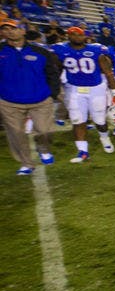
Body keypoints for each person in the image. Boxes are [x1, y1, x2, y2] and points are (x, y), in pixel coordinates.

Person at [0, 19, 62, 175]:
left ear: (23, 31)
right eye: (5, 29)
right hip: (9, 101)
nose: (9, 31)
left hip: (40, 99)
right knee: (16, 134)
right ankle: (26, 163)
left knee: (45, 131)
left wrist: (53, 93)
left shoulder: (41, 51)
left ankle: (44, 148)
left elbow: (52, 73)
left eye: (13, 28)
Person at [52, 26, 115, 163]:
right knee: (78, 120)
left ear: (85, 37)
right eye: (74, 35)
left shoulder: (95, 49)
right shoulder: (60, 49)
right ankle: (83, 151)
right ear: (68, 36)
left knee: (99, 120)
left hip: (96, 89)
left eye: (80, 35)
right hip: (74, 89)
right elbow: (55, 69)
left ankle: (104, 137)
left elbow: (108, 72)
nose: (77, 37)